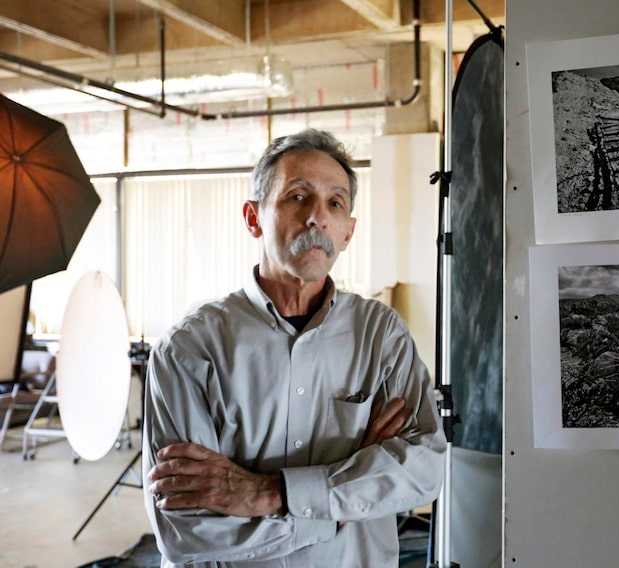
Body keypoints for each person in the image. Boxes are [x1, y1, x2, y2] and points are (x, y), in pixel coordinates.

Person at [141, 128, 447, 567]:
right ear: (253, 218)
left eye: (334, 203)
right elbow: (187, 529)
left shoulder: (381, 334)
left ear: (347, 233)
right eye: (298, 197)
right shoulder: (190, 348)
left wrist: (265, 493)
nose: (316, 217)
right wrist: (341, 504)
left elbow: (422, 471)